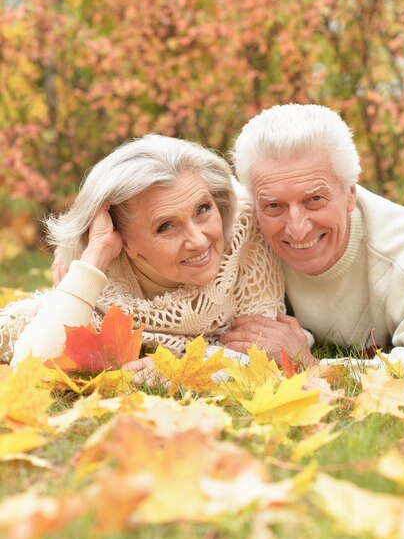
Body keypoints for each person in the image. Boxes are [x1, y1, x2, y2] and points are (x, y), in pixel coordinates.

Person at [0, 134, 286, 370]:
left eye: (203, 209)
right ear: (124, 241)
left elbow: (264, 357)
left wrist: (177, 367)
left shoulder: (246, 231)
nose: (199, 241)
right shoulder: (100, 281)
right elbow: (30, 366)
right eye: (166, 227)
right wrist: (95, 259)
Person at [220, 103, 404, 372]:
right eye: (274, 205)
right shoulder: (239, 235)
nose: (297, 229)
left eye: (314, 199)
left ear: (350, 193)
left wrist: (311, 365)